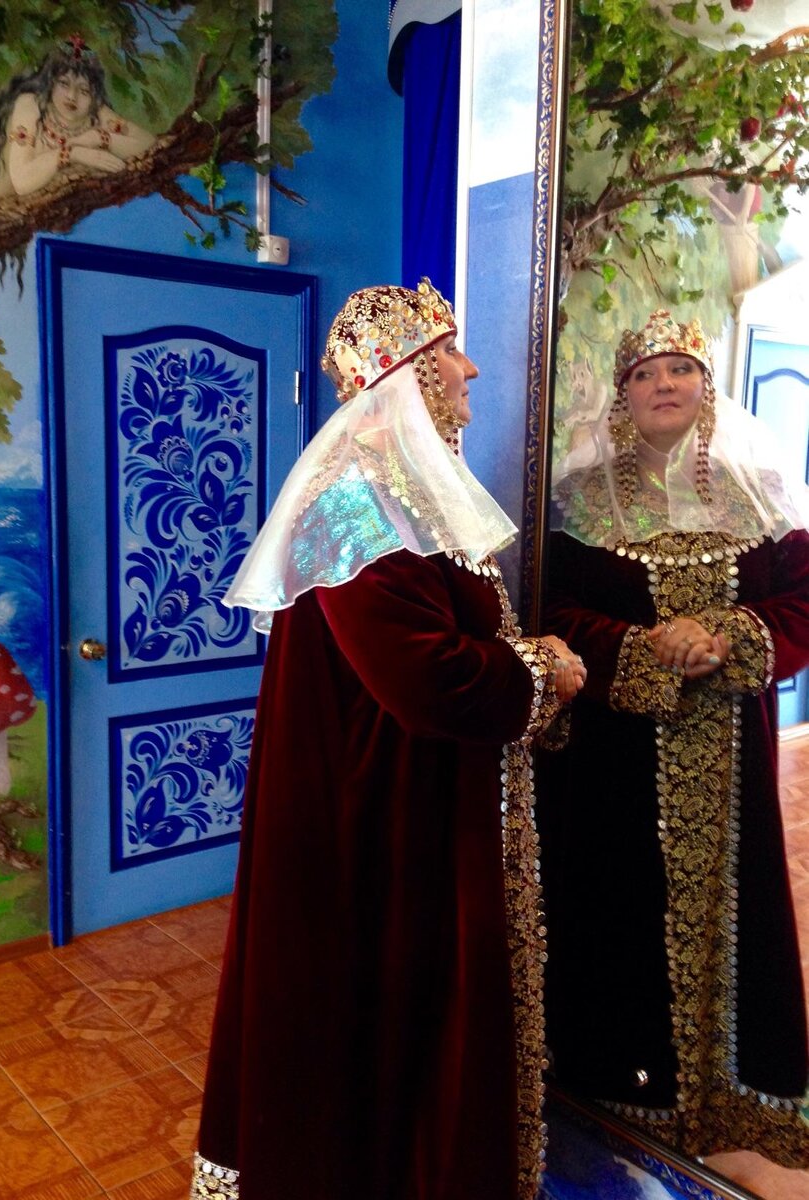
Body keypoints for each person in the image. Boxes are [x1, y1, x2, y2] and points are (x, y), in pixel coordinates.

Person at [191, 279, 585, 1200]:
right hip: (373, 821)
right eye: (448, 352)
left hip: (408, 801)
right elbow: (427, 678)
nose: (469, 368)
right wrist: (545, 671)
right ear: (406, 373)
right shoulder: (356, 500)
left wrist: (521, 662)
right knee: (371, 1018)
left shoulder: (402, 487)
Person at [539, 309, 809, 1166]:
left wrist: (729, 638)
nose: (665, 384)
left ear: (706, 385)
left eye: (681, 369)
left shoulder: (758, 489)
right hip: (615, 759)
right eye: (646, 372)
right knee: (620, 909)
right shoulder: (576, 497)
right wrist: (645, 646)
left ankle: (738, 1098)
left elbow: (804, 601)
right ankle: (628, 1098)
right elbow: (550, 610)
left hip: (733, 753)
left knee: (740, 910)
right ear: (622, 394)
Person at [0, 37, 154, 389]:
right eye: (63, 83)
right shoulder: (30, 105)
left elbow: (149, 146)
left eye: (84, 90)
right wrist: (74, 153)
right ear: (48, 83)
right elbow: (23, 181)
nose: (72, 96)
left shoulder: (94, 116)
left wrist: (102, 134)